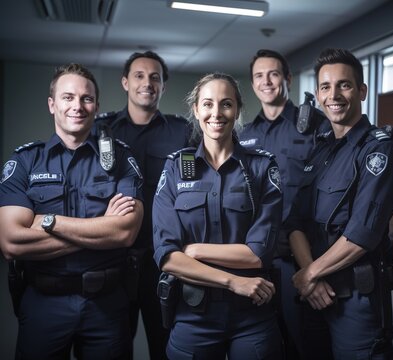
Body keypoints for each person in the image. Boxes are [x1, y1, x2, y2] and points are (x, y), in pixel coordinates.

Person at [0, 63, 144, 359]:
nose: (77, 106)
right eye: (68, 97)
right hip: (43, 304)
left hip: (107, 305)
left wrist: (47, 222)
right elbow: (11, 242)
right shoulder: (26, 162)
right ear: (52, 104)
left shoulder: (121, 158)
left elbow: (125, 232)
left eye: (86, 98)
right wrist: (100, 228)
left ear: (96, 106)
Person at [286, 48, 393, 359]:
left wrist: (308, 275)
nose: (334, 95)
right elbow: (296, 222)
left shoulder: (380, 151)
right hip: (315, 295)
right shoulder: (321, 149)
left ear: (362, 90)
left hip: (356, 300)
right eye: (325, 87)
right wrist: (310, 277)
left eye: (345, 85)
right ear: (317, 93)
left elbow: (362, 234)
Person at [152, 72, 283, 359]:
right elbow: (166, 256)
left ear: (237, 110)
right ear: (196, 110)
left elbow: (259, 253)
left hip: (252, 315)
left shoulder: (262, 168)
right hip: (193, 313)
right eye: (208, 104)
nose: (216, 113)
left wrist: (194, 250)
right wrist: (233, 280)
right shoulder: (175, 168)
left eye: (226, 104)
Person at [94, 50, 191, 359]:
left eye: (155, 77)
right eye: (139, 76)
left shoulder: (183, 131)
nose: (146, 83)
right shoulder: (101, 131)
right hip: (111, 261)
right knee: (111, 347)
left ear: (163, 85)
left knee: (164, 346)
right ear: (125, 82)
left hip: (161, 259)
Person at [239, 49, 332, 359]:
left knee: (306, 345)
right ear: (252, 84)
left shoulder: (318, 125)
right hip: (259, 261)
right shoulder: (245, 136)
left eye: (273, 74)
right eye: (258, 76)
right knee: (264, 345)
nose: (266, 81)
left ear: (288, 79)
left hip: (302, 257)